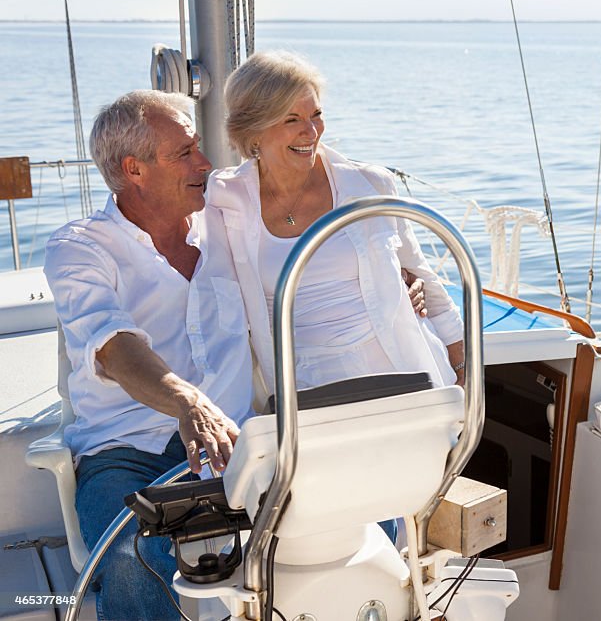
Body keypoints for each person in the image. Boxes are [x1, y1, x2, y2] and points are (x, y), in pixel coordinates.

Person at [44, 90, 253, 620]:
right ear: (133, 169)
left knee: (355, 514)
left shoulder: (229, 220)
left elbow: (308, 204)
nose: (205, 163)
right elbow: (114, 349)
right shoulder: (80, 248)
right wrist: (189, 404)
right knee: (131, 556)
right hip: (126, 450)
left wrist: (400, 281)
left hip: (240, 444)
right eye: (184, 153)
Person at [207, 51, 465, 410]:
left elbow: (423, 276)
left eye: (316, 115)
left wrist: (464, 369)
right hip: (304, 391)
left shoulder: (369, 184)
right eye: (292, 119)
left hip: (401, 373)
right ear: (254, 130)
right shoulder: (224, 201)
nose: (310, 132)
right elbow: (218, 313)